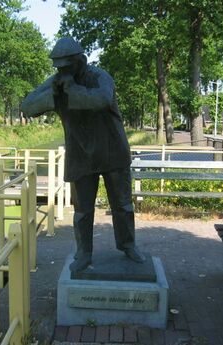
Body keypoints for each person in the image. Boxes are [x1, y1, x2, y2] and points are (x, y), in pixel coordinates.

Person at [21, 37, 145, 272]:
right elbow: (27, 106)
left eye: (67, 66)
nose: (63, 71)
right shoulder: (57, 82)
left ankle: (128, 246)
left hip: (112, 151)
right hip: (81, 154)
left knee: (122, 205)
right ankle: (84, 253)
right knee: (82, 211)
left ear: (81, 61)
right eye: (59, 67)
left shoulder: (100, 77)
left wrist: (72, 90)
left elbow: (101, 99)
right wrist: (53, 94)